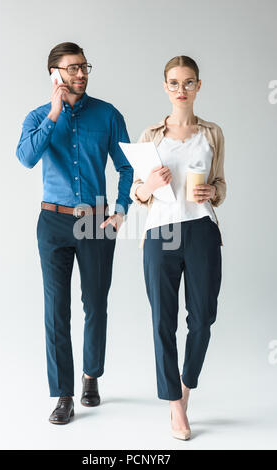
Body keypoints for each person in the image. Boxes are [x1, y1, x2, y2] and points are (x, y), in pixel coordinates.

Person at [16, 42, 133, 424]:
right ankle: (63, 393)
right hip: (52, 221)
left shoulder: (108, 114)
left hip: (95, 220)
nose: (81, 74)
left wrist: (120, 210)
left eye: (84, 67)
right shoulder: (38, 116)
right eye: (72, 68)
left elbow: (127, 167)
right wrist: (53, 114)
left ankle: (91, 375)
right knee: (56, 310)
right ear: (55, 74)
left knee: (95, 303)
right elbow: (26, 158)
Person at [130, 55, 226, 440]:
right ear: (165, 87)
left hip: (201, 229)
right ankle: (174, 406)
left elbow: (221, 183)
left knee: (203, 317)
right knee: (162, 321)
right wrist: (148, 188)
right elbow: (137, 192)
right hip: (160, 234)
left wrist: (213, 192)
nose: (181, 90)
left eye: (188, 82)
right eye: (174, 83)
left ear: (198, 86)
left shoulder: (213, 133)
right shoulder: (150, 136)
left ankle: (186, 387)